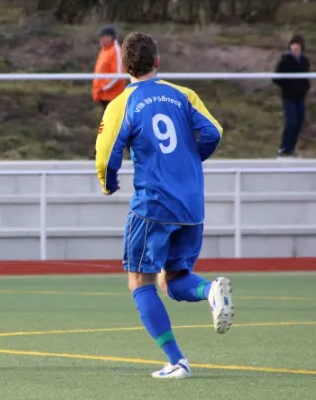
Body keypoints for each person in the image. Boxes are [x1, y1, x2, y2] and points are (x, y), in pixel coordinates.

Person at [95, 32, 234, 379]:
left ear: (125, 65)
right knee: (171, 280)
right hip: (192, 205)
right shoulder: (183, 94)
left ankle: (177, 361)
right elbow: (214, 131)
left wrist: (109, 185)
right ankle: (209, 290)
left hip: (153, 205)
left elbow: (106, 156)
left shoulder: (122, 103)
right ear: (157, 62)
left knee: (139, 282)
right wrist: (190, 161)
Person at [273, 34, 310, 158]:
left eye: (298, 45)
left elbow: (305, 78)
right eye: (294, 45)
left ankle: (290, 149)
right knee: (292, 122)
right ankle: (284, 148)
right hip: (288, 97)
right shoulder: (285, 60)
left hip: (300, 97)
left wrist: (305, 88)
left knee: (299, 122)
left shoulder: (304, 61)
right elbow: (276, 78)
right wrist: (288, 86)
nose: (295, 47)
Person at [92, 26, 126, 111]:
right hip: (103, 96)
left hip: (112, 97)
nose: (100, 39)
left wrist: (102, 88)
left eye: (102, 37)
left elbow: (118, 74)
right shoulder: (104, 51)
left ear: (110, 37)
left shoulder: (116, 51)